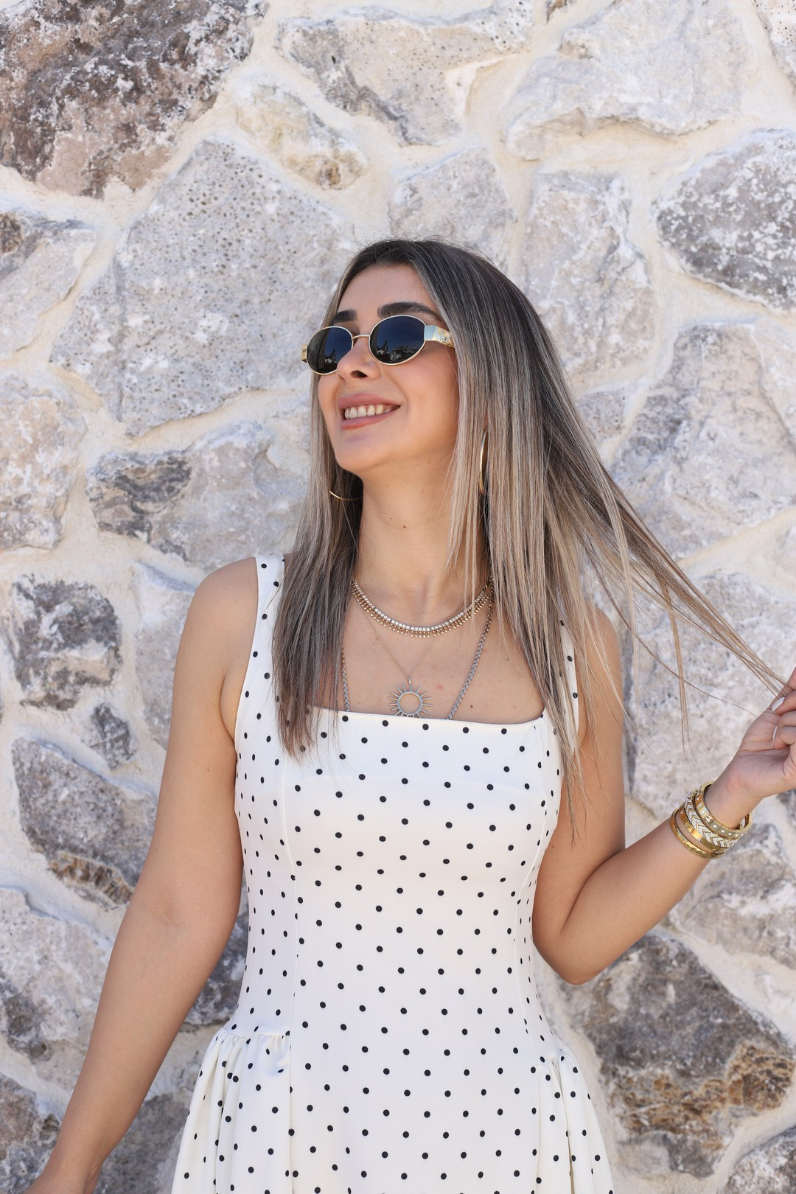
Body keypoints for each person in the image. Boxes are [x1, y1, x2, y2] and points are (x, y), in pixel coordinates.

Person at [26, 237, 796, 1194]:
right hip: (283, 1137)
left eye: (396, 336)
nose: (352, 363)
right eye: (334, 343)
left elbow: (572, 934)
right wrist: (71, 1168)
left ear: (492, 379)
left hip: (500, 1141)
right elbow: (179, 913)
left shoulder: (572, 644)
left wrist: (733, 794)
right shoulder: (244, 616)